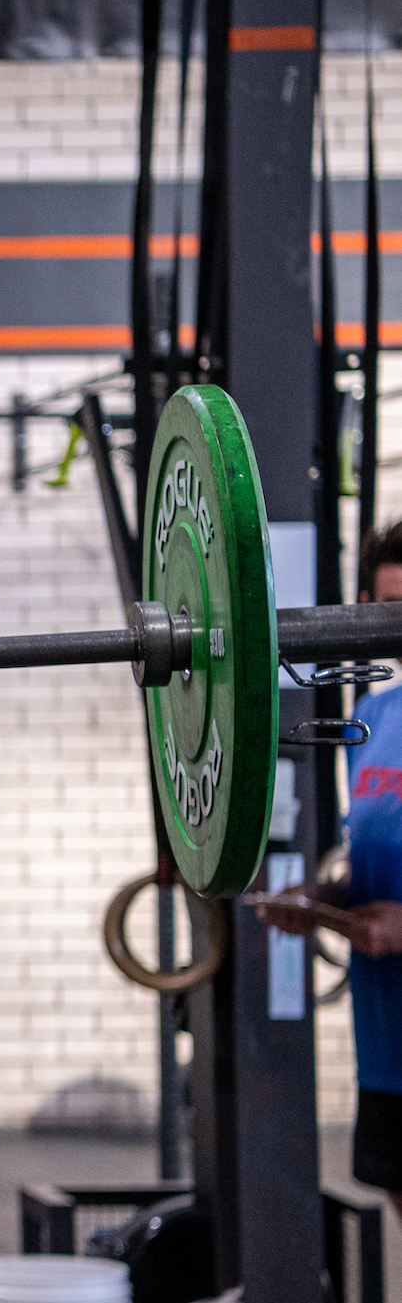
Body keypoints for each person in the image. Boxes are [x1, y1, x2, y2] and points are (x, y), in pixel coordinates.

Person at [260, 520, 402, 1218]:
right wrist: (319, 895)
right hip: (388, 1049)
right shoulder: (373, 717)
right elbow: (375, 861)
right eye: (386, 606)